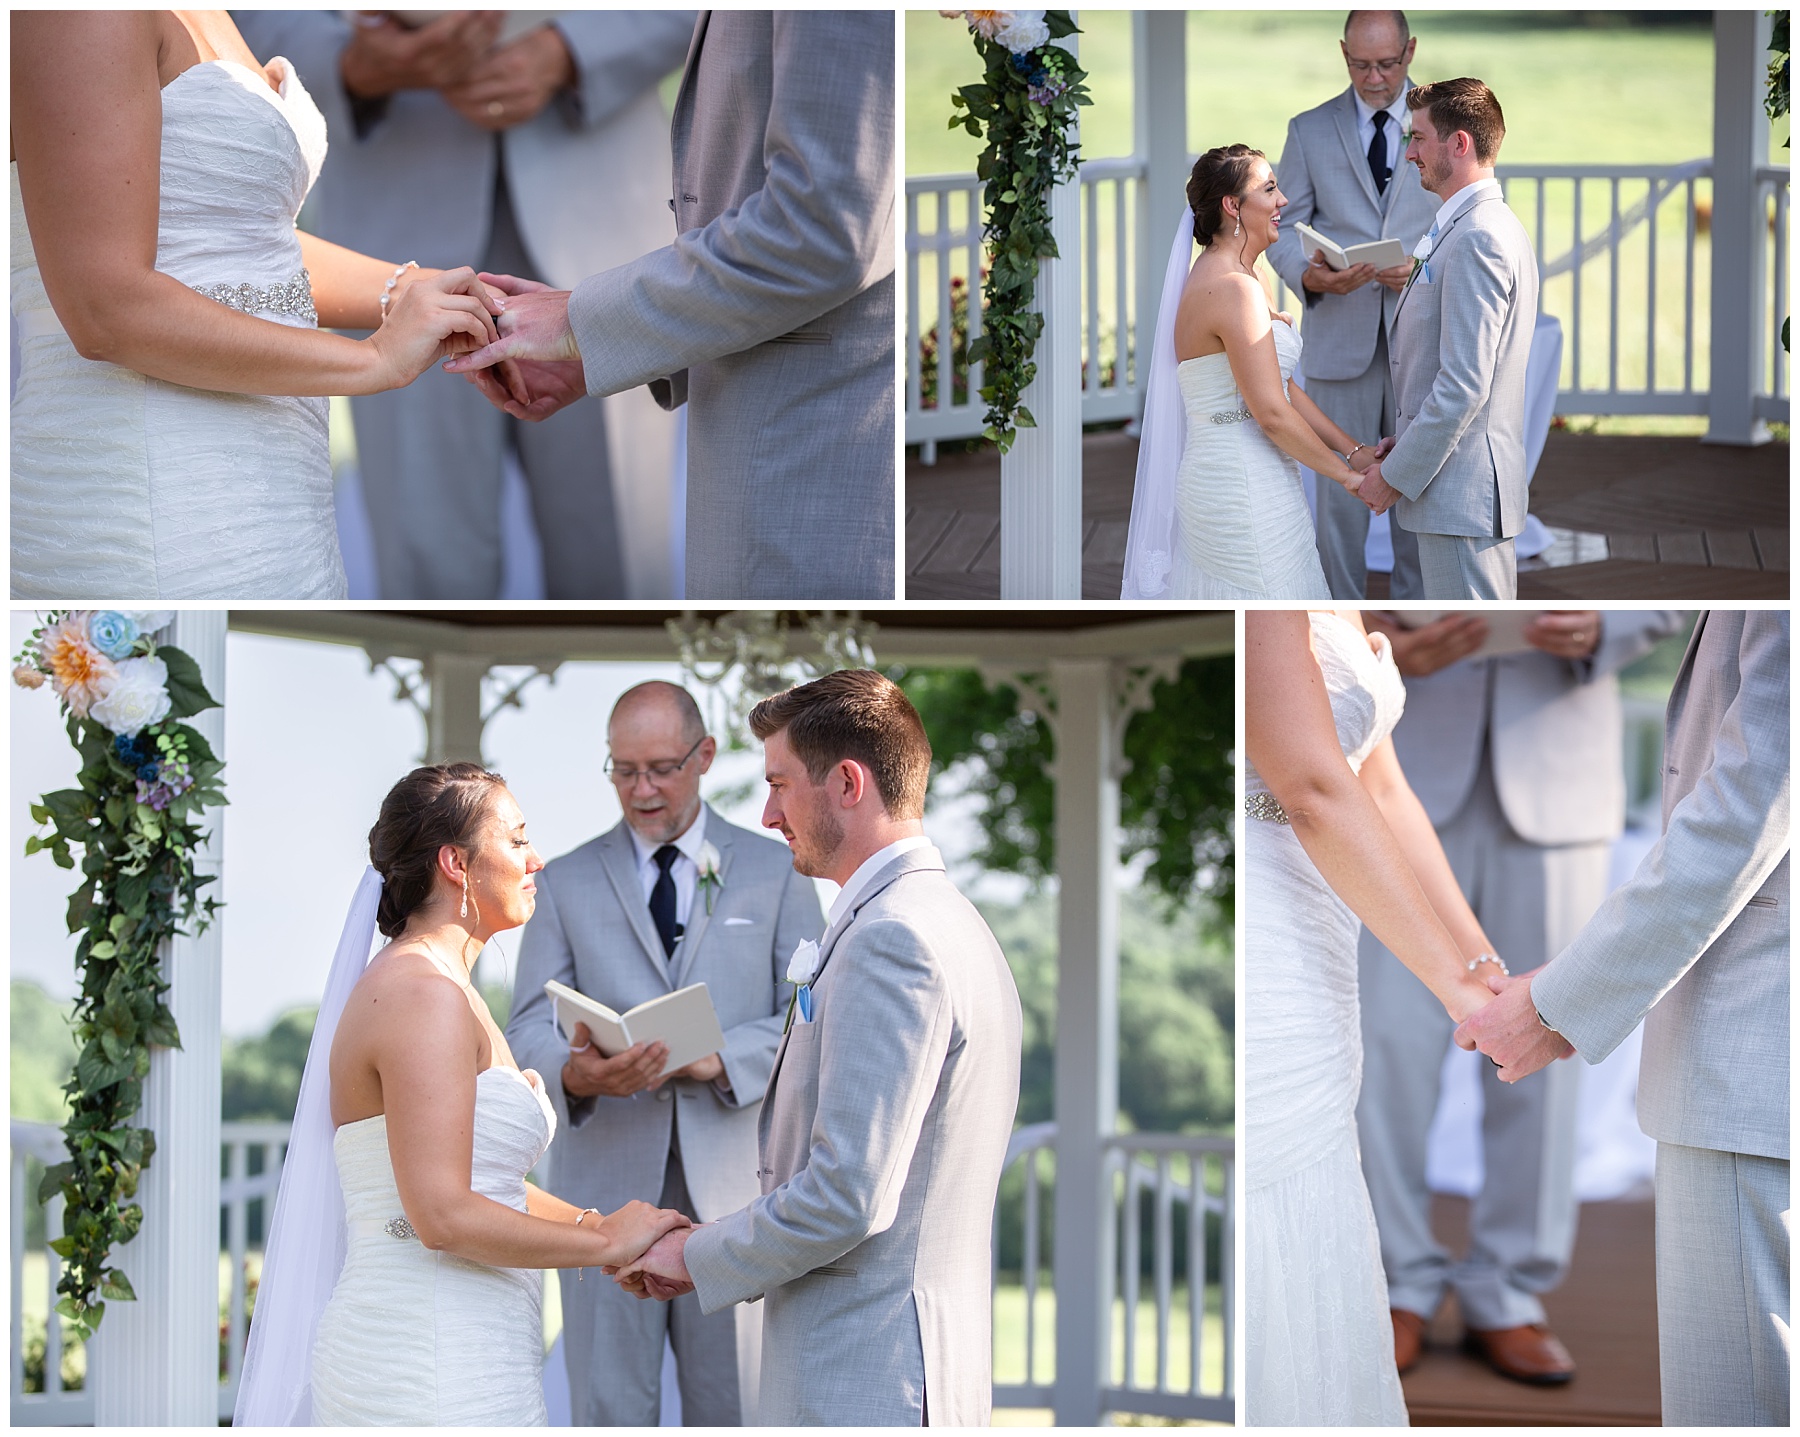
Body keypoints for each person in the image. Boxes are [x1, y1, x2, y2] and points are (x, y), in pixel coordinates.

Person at [612, 671, 1023, 1424]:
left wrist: (697, 1253)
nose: (767, 814)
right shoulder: (950, 919)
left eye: (779, 784)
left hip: (863, 1374)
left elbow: (847, 1194)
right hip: (901, 1364)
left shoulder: (892, 938)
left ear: (846, 782)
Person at [232, 764, 690, 1426]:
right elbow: (441, 1214)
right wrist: (604, 1246)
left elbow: (483, 1181)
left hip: (473, 1341)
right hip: (425, 1353)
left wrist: (598, 1223)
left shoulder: (447, 989)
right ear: (455, 862)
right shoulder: (422, 995)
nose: (535, 858)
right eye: (516, 839)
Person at [10, 10, 515, 600]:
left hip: (272, 481)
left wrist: (416, 290)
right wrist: (374, 361)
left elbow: (235, 241)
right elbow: (106, 308)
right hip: (157, 486)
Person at [234, 10, 695, 599]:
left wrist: (574, 51)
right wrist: (346, 64)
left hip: (603, 211)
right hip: (393, 226)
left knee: (620, 575)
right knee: (428, 568)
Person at [1457, 610, 1789, 1427]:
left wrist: (1562, 1004)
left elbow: (1751, 796)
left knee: (1737, 1399)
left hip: (1757, 1039)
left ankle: (1505, 1291)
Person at [444, 11, 896, 601]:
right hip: (756, 406)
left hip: (807, 448)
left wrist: (585, 321)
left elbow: (823, 228)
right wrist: (612, 337)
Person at [1355, 609, 1683, 1385]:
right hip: (1399, 776)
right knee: (1388, 1052)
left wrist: (1607, 625)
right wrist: (1373, 635)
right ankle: (1394, 1282)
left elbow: (1678, 606)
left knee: (1546, 1049)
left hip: (1559, 777)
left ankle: (1509, 1290)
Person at [504, 682, 824, 1425]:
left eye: (660, 768)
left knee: (736, 1407)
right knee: (610, 1406)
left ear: (704, 755)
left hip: (738, 1194)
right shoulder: (564, 881)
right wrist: (575, 1074)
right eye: (623, 770)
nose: (641, 789)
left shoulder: (777, 869)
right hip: (603, 1194)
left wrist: (721, 1059)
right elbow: (524, 1026)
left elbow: (810, 1012)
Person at [1243, 609, 1503, 1425]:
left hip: (1323, 929)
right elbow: (1314, 790)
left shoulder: (1340, 597)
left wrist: (1479, 964)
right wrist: (1453, 991)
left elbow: (1381, 788)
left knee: (1319, 1178)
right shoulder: (1264, 603)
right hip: (1270, 923)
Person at [1121, 147, 1387, 600]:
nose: (1283, 200)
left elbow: (1281, 389)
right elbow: (1269, 413)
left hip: (1263, 470)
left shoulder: (1250, 275)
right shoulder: (1232, 289)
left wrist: (1354, 450)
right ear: (1232, 206)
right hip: (1238, 480)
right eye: (1269, 189)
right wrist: (1349, 481)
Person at [1266, 10, 1436, 600]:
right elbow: (1283, 229)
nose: (1374, 78)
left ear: (1410, 51)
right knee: (1339, 507)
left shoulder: (1441, 125)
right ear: (1343, 54)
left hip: (1421, 343)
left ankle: (1418, 625)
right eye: (1361, 64)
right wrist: (1311, 279)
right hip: (1340, 341)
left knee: (1420, 495)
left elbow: (1471, 221)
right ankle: (1336, 624)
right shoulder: (1309, 130)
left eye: (1388, 63)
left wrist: (1422, 273)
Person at [1354, 79, 1538, 600]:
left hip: (1463, 498)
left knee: (1477, 654)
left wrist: (1395, 475)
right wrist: (1403, 443)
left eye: (1418, 138)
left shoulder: (1479, 236)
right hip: (1458, 492)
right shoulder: (1476, 224)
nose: (1408, 152)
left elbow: (1462, 385)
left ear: (1459, 144)